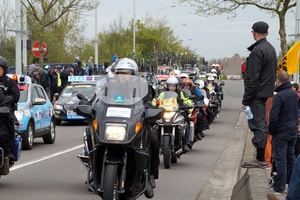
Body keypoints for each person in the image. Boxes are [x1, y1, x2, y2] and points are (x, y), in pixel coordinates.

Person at [241, 21, 277, 169]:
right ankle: (261, 158)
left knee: (257, 124)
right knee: (260, 122)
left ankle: (260, 158)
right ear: (267, 33)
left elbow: (253, 78)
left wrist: (245, 99)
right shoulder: (271, 49)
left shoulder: (257, 51)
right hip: (265, 92)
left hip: (256, 94)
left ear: (253, 32)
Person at [268, 71, 299, 194]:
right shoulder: (294, 95)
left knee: (281, 160)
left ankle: (279, 187)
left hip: (281, 131)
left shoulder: (279, 96)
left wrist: (271, 131)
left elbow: (274, 116)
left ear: (278, 81)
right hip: (293, 131)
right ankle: (291, 185)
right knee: (290, 158)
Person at [154, 76, 193, 152]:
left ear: (177, 86)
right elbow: (156, 99)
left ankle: (185, 142)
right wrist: (154, 104)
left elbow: (187, 100)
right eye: (170, 85)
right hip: (164, 112)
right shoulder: (162, 93)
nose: (172, 87)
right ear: (167, 85)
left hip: (177, 111)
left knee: (186, 121)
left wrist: (187, 104)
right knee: (155, 124)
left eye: (174, 85)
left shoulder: (181, 93)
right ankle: (155, 143)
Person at [0, 57, 20, 175]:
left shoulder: (9, 82)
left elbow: (16, 95)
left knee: (8, 128)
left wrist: (10, 98)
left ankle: (9, 153)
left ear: (4, 70)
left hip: (6, 111)